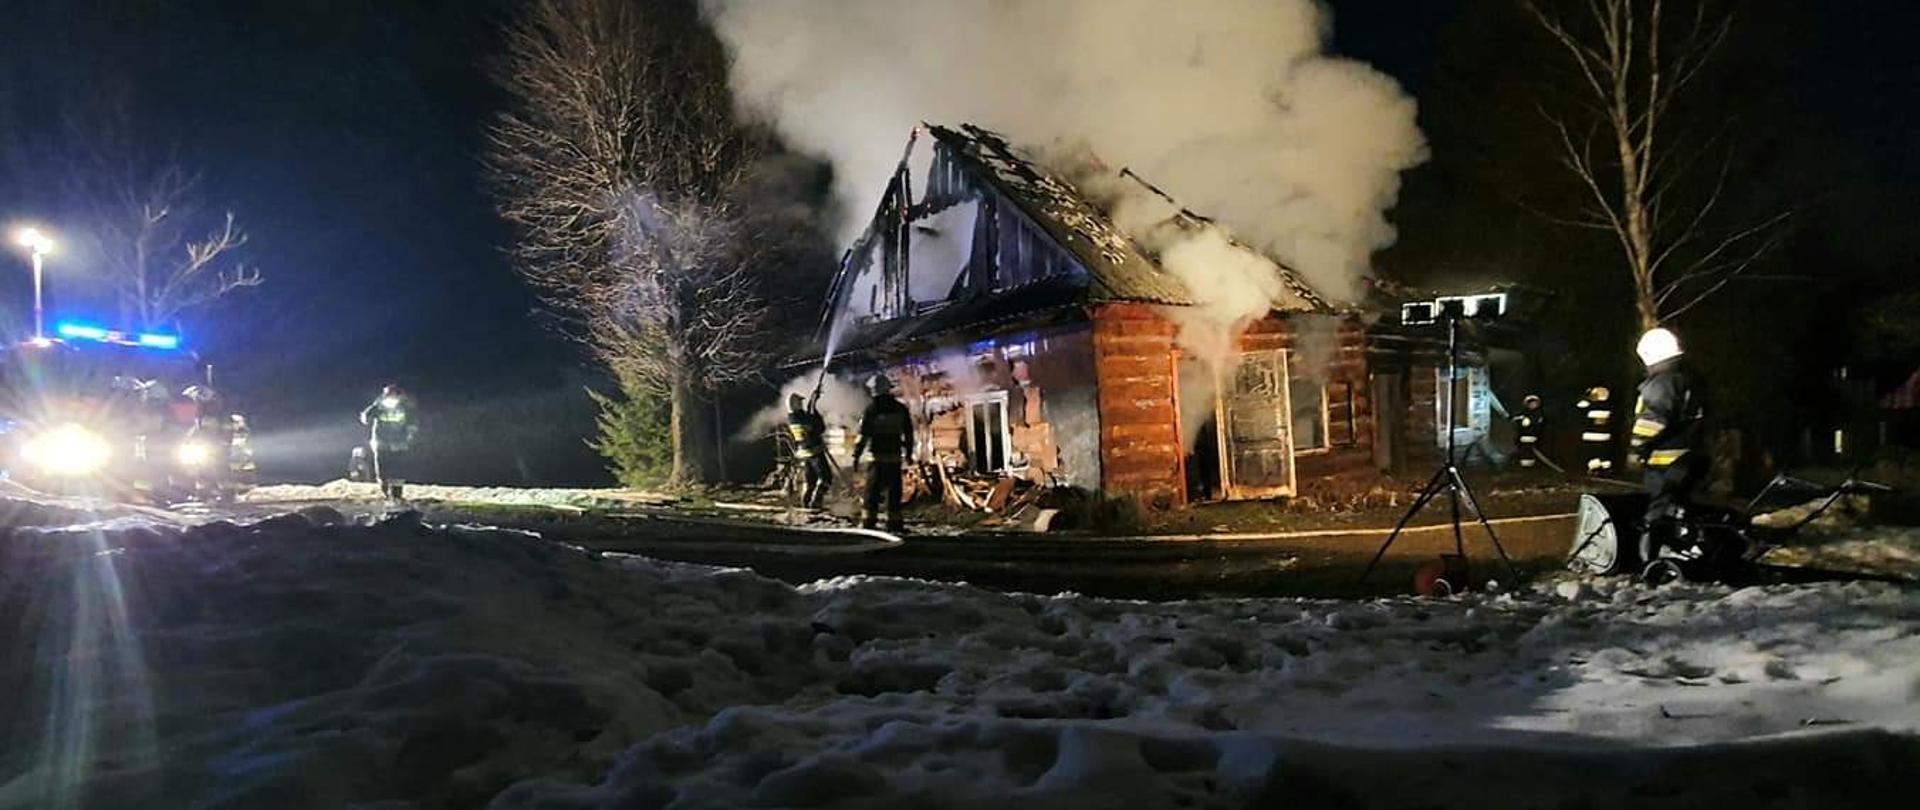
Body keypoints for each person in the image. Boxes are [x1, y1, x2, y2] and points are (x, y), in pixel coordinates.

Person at [1630, 327, 1709, 571]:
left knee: (1658, 512)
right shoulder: (1690, 378)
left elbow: (1653, 420)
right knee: (1683, 508)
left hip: (1667, 462)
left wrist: (1637, 448)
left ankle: (1651, 563)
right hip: (1692, 456)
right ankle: (1690, 551)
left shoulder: (1662, 383)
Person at [851, 374, 913, 532]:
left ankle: (868, 524)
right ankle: (895, 524)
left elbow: (863, 435)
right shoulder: (900, 408)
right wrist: (909, 453)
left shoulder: (871, 409)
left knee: (872, 493)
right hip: (895, 457)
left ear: (873, 390)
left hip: (877, 459)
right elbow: (909, 433)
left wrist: (856, 455)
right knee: (894, 492)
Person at [359, 383, 419, 503]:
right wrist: (368, 413)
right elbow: (365, 417)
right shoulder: (379, 406)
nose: (391, 398)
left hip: (399, 443)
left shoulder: (405, 407)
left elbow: (412, 421)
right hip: (381, 442)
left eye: (394, 395)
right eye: (388, 395)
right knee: (382, 469)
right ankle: (385, 491)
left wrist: (410, 434)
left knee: (399, 469)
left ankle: (397, 494)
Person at [785, 392, 832, 509]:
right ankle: (816, 500)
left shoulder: (792, 418)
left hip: (803, 453)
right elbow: (819, 427)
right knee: (826, 478)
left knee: (811, 480)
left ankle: (806, 502)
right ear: (795, 404)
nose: (801, 404)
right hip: (814, 452)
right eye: (800, 402)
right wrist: (814, 406)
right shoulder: (801, 417)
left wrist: (812, 403)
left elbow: (810, 419)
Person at [1576, 385, 1617, 475]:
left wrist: (1585, 396)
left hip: (1591, 435)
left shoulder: (1589, 405)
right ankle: (1605, 469)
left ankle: (1595, 469)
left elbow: (1579, 407)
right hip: (1604, 436)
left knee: (1592, 453)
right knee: (1602, 453)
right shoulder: (1610, 406)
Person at [1512, 393, 1557, 471]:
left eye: (1534, 403)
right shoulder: (1522, 414)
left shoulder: (1540, 414)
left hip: (1537, 441)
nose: (1533, 405)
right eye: (1531, 403)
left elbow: (1541, 427)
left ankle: (1533, 469)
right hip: (1523, 442)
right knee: (1524, 456)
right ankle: (1524, 469)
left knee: (1534, 456)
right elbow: (1515, 421)